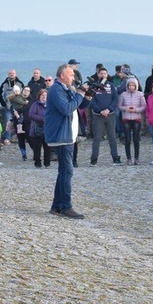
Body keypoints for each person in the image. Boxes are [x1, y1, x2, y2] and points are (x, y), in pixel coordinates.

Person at [45, 63, 90, 219]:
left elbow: (79, 105)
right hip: (61, 136)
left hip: (66, 136)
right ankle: (66, 207)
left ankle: (56, 206)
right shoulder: (56, 89)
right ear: (62, 75)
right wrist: (80, 93)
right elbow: (66, 109)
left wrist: (87, 95)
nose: (73, 77)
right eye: (71, 75)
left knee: (63, 172)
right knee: (67, 172)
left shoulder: (66, 89)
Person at [88, 66, 122, 166]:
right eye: (101, 73)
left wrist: (109, 109)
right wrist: (100, 111)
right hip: (98, 116)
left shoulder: (111, 85)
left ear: (107, 75)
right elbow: (92, 101)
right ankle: (94, 159)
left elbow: (115, 99)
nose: (103, 75)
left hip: (110, 115)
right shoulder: (94, 86)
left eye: (105, 74)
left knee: (112, 137)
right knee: (97, 138)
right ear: (98, 74)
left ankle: (115, 158)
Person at [118, 77, 146, 165]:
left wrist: (136, 110)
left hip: (136, 118)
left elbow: (144, 106)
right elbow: (119, 106)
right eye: (129, 85)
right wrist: (125, 108)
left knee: (136, 139)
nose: (131, 87)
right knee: (127, 139)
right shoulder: (123, 95)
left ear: (136, 86)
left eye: (133, 85)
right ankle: (129, 158)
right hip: (126, 118)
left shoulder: (140, 94)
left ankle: (136, 158)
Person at [27, 88, 50, 167]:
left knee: (47, 147)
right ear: (39, 96)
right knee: (37, 148)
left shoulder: (50, 105)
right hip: (37, 129)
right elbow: (31, 115)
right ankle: (37, 162)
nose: (44, 97)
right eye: (42, 95)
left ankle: (47, 162)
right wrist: (42, 119)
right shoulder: (35, 105)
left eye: (45, 95)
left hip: (47, 129)